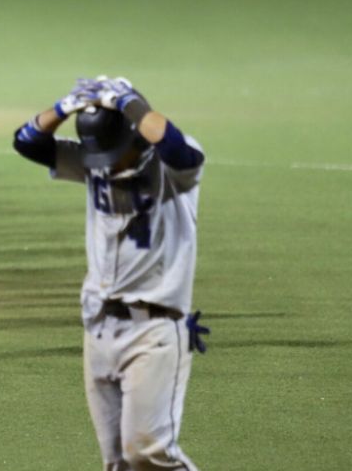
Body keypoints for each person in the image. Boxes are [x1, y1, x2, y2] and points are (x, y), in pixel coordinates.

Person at [13, 77, 208, 470]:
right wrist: (65, 107)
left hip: (153, 330)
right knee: (117, 462)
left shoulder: (173, 169)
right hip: (98, 327)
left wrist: (130, 103)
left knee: (149, 453)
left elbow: (179, 150)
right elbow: (27, 142)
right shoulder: (93, 164)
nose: (107, 164)